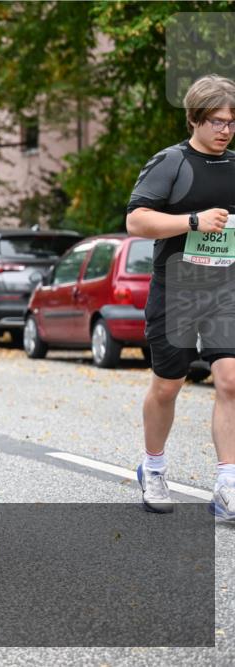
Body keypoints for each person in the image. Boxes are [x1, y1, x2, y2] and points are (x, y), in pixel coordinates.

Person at [125, 74, 235, 521]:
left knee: (230, 380)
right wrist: (192, 221)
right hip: (177, 290)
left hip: (226, 290)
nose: (225, 129)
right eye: (216, 121)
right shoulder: (171, 162)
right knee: (169, 385)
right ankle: (153, 466)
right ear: (194, 118)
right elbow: (137, 221)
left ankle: (227, 484)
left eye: (231, 121)